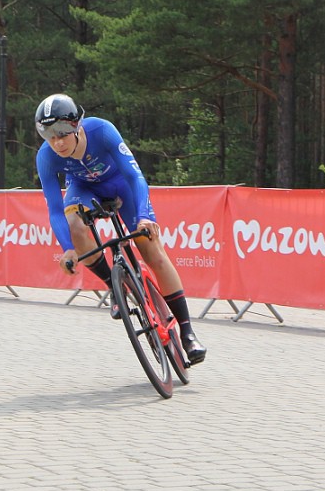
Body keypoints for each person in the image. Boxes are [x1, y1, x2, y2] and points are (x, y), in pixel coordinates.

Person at [34, 93, 207, 364]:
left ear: (77, 126)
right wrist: (67, 249)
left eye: (63, 134)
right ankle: (113, 286)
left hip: (121, 183)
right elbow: (55, 209)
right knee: (74, 225)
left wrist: (142, 217)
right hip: (84, 189)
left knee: (153, 252)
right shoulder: (46, 157)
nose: (57, 143)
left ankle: (187, 332)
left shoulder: (102, 131)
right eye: (49, 136)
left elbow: (134, 175)